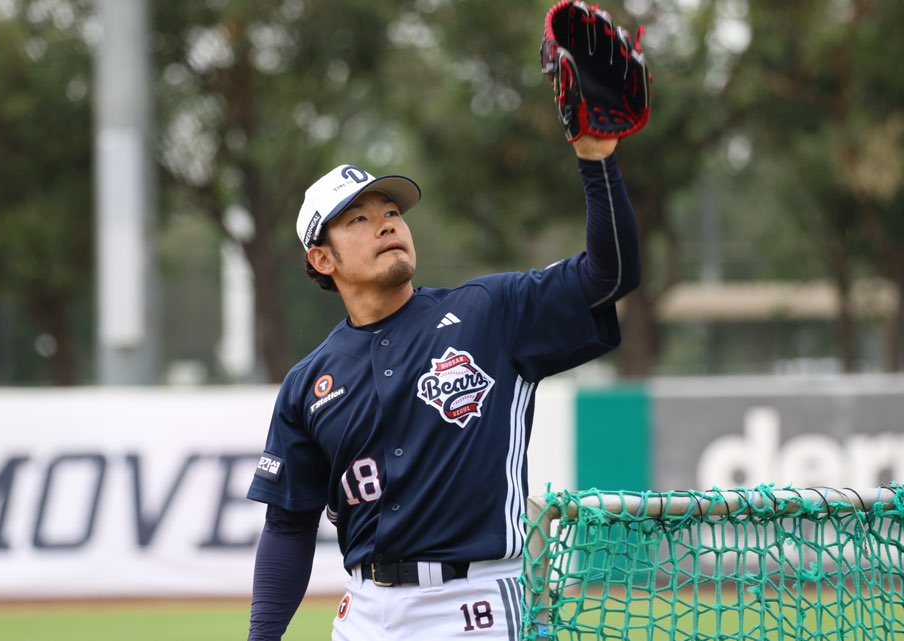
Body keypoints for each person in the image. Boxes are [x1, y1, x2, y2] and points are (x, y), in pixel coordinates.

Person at [245, 133, 639, 641]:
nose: (386, 222)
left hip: (474, 606)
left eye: (391, 211)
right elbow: (288, 526)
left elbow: (612, 275)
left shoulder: (489, 312)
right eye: (358, 219)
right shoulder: (309, 383)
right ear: (323, 260)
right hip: (362, 613)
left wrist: (596, 159)